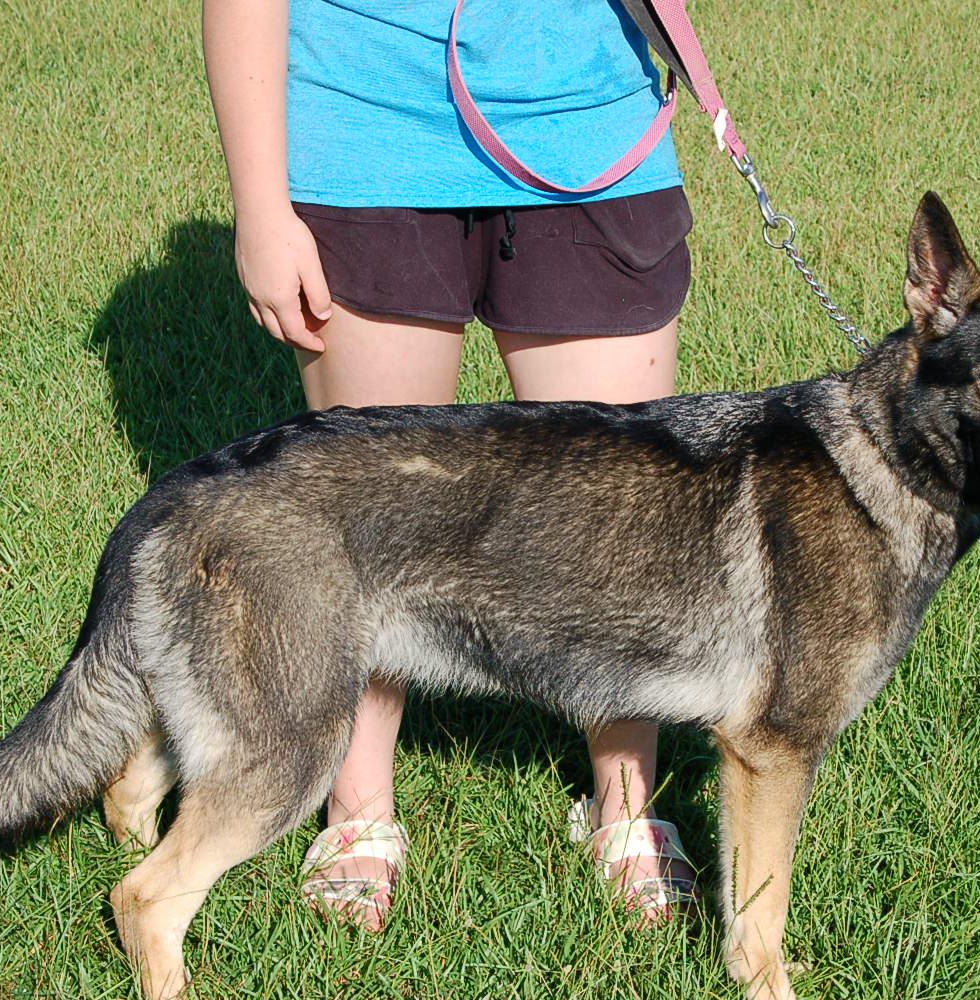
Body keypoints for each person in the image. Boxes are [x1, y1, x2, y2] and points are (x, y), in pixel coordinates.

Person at [203, 0, 698, 928]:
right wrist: (261, 208)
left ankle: (627, 806)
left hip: (590, 130)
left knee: (621, 523)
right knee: (371, 520)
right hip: (367, 129)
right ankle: (358, 806)